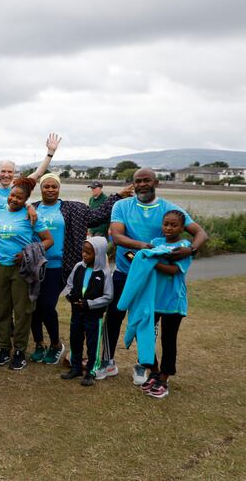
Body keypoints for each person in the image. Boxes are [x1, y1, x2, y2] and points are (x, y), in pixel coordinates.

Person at [104, 168, 207, 381]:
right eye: (137, 181)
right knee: (113, 317)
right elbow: (117, 235)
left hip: (154, 279)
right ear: (133, 184)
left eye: (146, 180)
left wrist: (191, 250)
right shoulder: (121, 205)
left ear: (156, 182)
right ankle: (107, 361)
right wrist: (143, 247)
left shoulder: (169, 209)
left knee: (148, 322)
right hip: (125, 272)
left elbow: (200, 233)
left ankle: (145, 366)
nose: (142, 184)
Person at [29, 173, 131, 366]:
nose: (50, 189)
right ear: (40, 188)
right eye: (46, 186)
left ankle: (55, 345)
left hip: (59, 266)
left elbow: (97, 216)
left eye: (54, 186)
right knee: (33, 307)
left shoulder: (71, 208)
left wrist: (117, 196)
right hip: (35, 265)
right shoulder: (32, 208)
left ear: (59, 188)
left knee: (47, 306)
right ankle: (39, 344)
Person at [0, 177, 53, 371]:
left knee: (22, 311)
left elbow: (48, 240)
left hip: (22, 269)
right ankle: (3, 349)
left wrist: (28, 253)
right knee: (1, 309)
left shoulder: (31, 215)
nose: (14, 200)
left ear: (25, 199)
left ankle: (19, 351)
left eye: (19, 198)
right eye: (12, 195)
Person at [139, 210, 194, 399]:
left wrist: (150, 262)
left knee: (168, 340)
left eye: (174, 225)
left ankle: (164, 378)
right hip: (152, 299)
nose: (169, 228)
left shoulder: (184, 246)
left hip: (173, 301)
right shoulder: (155, 243)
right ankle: (153, 371)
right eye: (166, 224)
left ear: (182, 227)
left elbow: (172, 270)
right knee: (143, 334)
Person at [61, 237, 113, 386]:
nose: (84, 255)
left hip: (94, 315)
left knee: (93, 343)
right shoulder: (79, 267)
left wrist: (90, 304)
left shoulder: (104, 273)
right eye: (83, 251)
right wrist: (70, 295)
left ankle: (91, 371)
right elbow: (70, 283)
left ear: (99, 254)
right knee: (75, 339)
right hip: (77, 312)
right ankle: (76, 367)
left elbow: (108, 297)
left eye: (89, 253)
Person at [0, 133, 62, 197]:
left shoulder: (20, 186)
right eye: (3, 171)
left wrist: (51, 152)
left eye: (10, 172)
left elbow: (38, 173)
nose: (6, 175)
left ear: (14, 173)